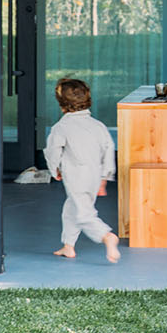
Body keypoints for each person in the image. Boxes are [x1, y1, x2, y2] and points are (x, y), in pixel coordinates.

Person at [45, 76, 120, 263]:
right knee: (72, 208)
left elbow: (53, 152)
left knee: (83, 213)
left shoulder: (61, 127)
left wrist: (55, 171)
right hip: (95, 174)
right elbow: (109, 149)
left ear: (62, 105)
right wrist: (105, 177)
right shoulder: (98, 126)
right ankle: (68, 246)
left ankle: (106, 236)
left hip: (76, 175)